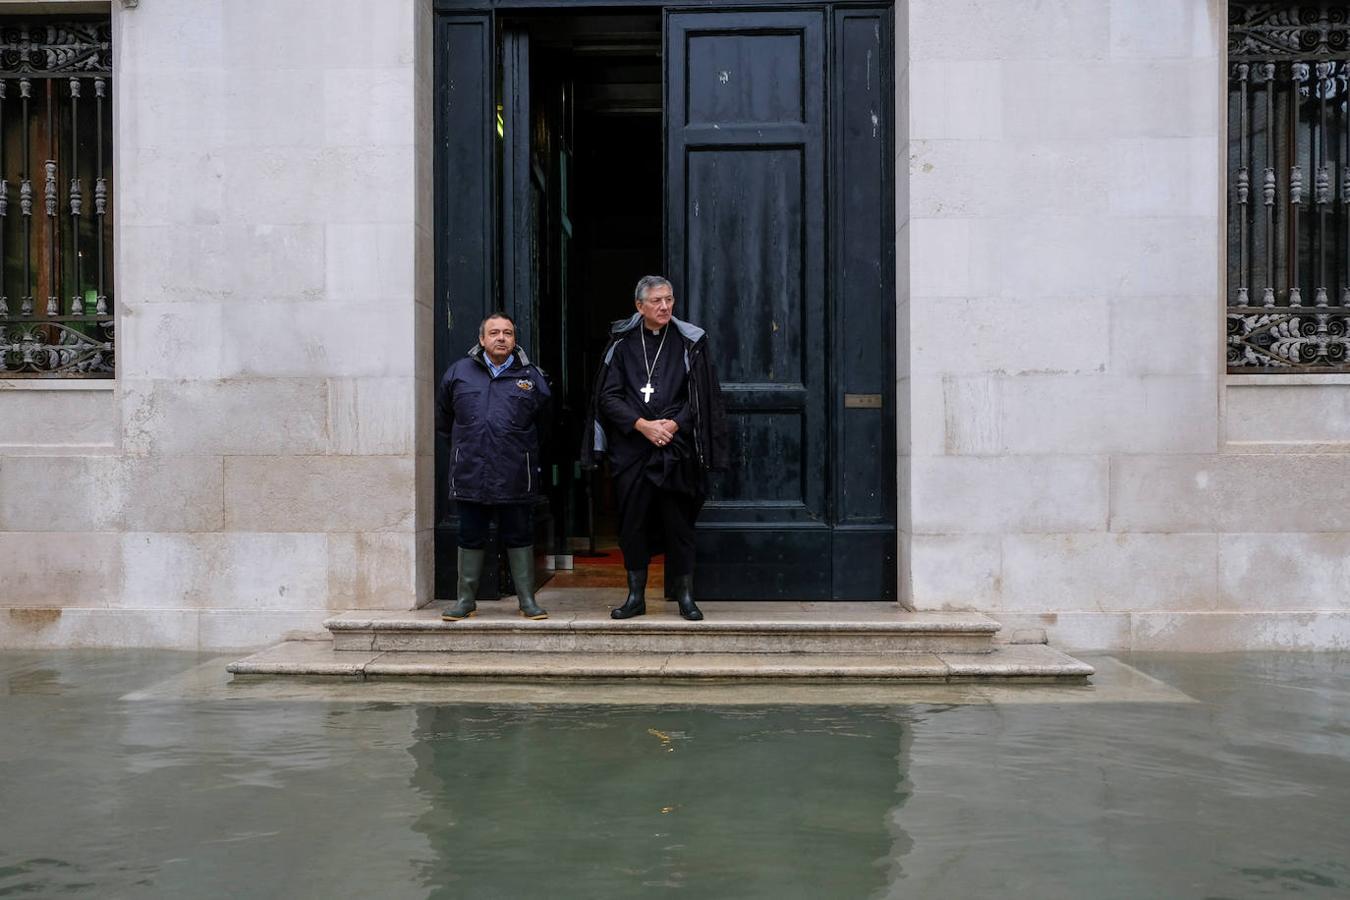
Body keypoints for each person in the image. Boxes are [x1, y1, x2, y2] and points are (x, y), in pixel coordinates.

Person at [581, 275, 728, 621]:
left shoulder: (689, 341)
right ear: (639, 306)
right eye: (657, 301)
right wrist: (643, 426)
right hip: (633, 450)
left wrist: (673, 424)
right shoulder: (623, 344)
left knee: (679, 524)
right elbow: (608, 396)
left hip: (674, 449)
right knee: (632, 525)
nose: (665, 307)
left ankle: (685, 597)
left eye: (669, 300)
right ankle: (635, 596)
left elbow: (700, 395)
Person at [436, 312, 552, 621]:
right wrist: (467, 447)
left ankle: (527, 600)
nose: (501, 338)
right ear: (482, 339)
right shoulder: (458, 373)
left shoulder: (531, 377)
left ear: (515, 340)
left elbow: (545, 424)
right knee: (470, 534)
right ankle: (465, 600)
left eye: (508, 333)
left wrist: (521, 450)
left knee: (519, 534)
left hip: (515, 471)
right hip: (471, 472)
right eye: (494, 333)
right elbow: (445, 422)